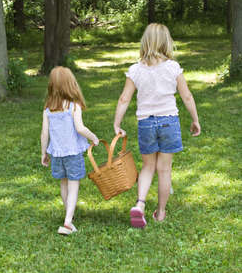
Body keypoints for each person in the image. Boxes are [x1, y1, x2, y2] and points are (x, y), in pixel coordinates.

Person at [113, 23, 201, 227]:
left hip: (146, 123)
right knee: (164, 169)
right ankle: (160, 213)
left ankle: (140, 205)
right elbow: (186, 96)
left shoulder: (135, 70)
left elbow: (124, 99)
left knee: (148, 166)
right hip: (169, 121)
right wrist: (195, 119)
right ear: (166, 42)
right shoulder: (172, 67)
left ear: (145, 42)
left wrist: (117, 123)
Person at [41, 66, 99, 235]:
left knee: (64, 183)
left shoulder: (48, 109)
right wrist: (93, 137)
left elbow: (44, 133)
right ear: (70, 84)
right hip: (72, 154)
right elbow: (80, 128)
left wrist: (44, 153)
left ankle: (69, 215)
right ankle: (67, 222)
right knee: (73, 186)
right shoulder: (74, 106)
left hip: (57, 154)